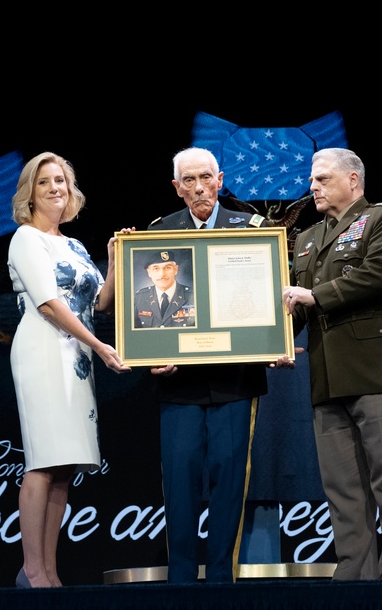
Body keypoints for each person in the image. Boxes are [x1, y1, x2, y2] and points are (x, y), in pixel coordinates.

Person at [280, 147, 382, 581]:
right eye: (311, 180)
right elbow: (298, 306)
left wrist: (315, 297)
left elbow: (379, 273)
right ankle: (354, 577)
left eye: (323, 179)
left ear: (353, 180)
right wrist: (276, 340)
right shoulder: (307, 238)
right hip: (329, 378)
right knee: (343, 490)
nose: (313, 187)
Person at [7, 152, 130, 588]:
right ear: (30, 192)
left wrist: (114, 262)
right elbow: (48, 302)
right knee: (43, 461)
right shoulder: (25, 238)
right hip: (43, 351)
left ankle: (50, 572)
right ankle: (31, 569)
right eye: (44, 182)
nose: (55, 188)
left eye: (60, 180)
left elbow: (100, 303)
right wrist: (98, 345)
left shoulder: (74, 245)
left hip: (76, 356)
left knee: (65, 467)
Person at [146, 146, 266, 583]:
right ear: (177, 188)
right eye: (189, 181)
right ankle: (180, 583)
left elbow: (268, 298)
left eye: (206, 178)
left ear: (220, 179)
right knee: (179, 486)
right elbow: (145, 309)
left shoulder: (252, 229)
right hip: (178, 383)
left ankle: (221, 583)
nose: (199, 187)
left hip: (235, 380)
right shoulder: (156, 234)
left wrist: (275, 339)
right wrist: (151, 358)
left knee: (229, 482)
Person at [134, 250, 196, 328]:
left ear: (175, 270)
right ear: (149, 272)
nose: (162, 274)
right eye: (156, 269)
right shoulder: (139, 298)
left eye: (167, 268)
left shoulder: (194, 296)